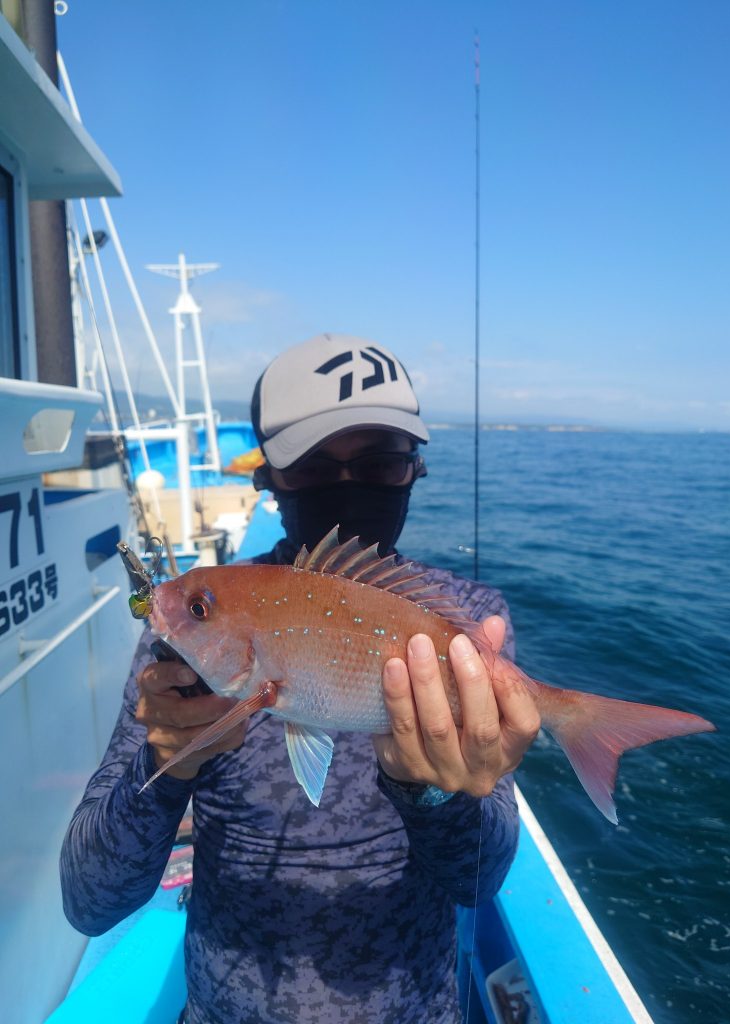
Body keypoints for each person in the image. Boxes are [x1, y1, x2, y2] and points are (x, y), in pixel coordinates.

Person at [60, 334, 540, 1024]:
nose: (348, 486)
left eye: (380, 462)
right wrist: (164, 767)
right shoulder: (197, 627)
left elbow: (479, 880)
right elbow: (89, 902)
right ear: (269, 479)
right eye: (313, 466)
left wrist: (429, 791)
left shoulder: (468, 623)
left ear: (415, 470)